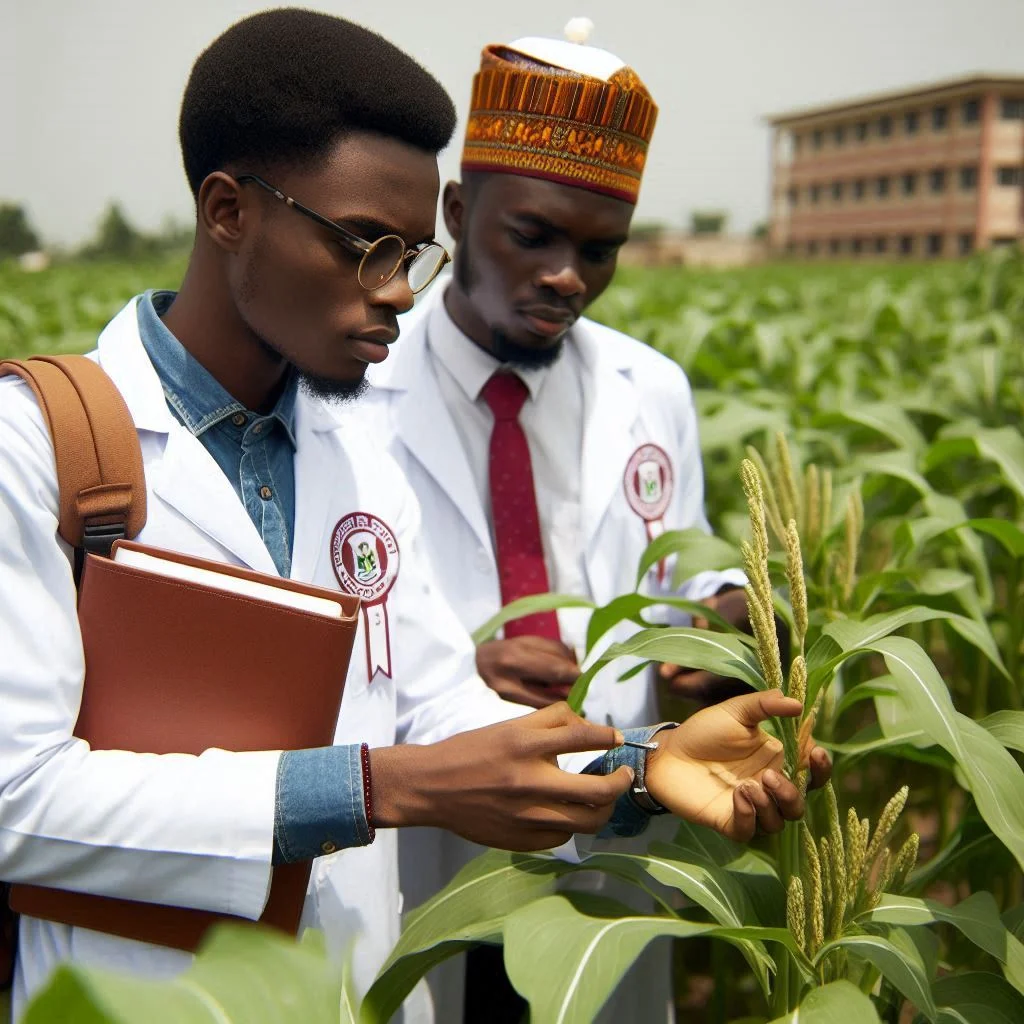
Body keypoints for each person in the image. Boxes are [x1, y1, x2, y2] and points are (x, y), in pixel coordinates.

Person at [0, 10, 829, 1023]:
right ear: (228, 211)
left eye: (413, 257)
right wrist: (372, 789)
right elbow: (16, 799)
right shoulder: (37, 446)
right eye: (366, 247)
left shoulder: (354, 447)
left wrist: (641, 766)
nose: (398, 293)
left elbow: (435, 704)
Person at [362, 28, 760, 1023]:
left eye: (597, 250)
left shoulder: (650, 388)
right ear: (456, 212)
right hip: (433, 841)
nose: (566, 276)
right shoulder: (354, 382)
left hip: (619, 829)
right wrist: (460, 671)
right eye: (531, 237)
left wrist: (713, 629)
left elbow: (678, 563)